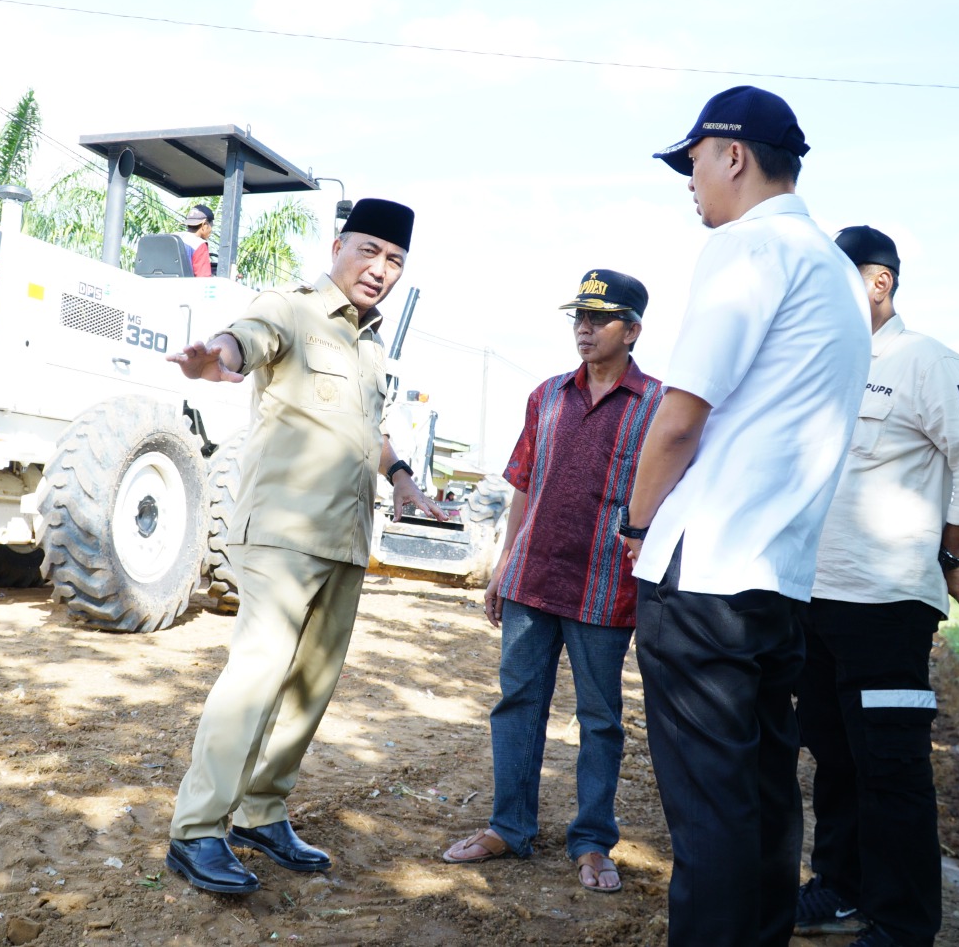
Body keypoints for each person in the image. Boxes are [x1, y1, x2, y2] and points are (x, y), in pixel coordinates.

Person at [619, 85, 872, 947]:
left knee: (712, 813)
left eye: (692, 162)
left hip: (707, 572)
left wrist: (636, 522)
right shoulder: (836, 270)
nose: (689, 181)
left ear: (731, 154)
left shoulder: (750, 249)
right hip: (776, 581)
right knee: (764, 798)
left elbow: (682, 416)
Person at [163, 197, 446, 895]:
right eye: (369, 252)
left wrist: (404, 481)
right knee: (258, 674)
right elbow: (243, 338)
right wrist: (215, 358)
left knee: (310, 686)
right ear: (338, 247)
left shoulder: (373, 345)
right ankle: (198, 829)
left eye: (395, 262)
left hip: (346, 538)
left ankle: (261, 810)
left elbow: (366, 431)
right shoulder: (290, 309)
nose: (380, 270)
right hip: (283, 532)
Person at [794, 225, 959, 947]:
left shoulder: (924, 361)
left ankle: (901, 923)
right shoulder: (826, 365)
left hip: (885, 608)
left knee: (890, 768)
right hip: (814, 599)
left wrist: (949, 554)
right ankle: (840, 888)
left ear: (879, 281)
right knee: (834, 759)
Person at [442, 269, 663, 893]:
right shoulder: (547, 395)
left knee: (600, 719)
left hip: (604, 589)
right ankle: (508, 827)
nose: (585, 328)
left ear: (633, 330)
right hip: (531, 581)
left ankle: (592, 842)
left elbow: (668, 499)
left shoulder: (657, 406)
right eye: (578, 318)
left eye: (600, 319)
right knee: (517, 705)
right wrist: (503, 564)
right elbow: (521, 485)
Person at [180, 204, 216, 276]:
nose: (211, 230)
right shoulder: (199, 244)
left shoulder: (172, 237)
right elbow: (204, 278)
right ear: (204, 224)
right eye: (211, 226)